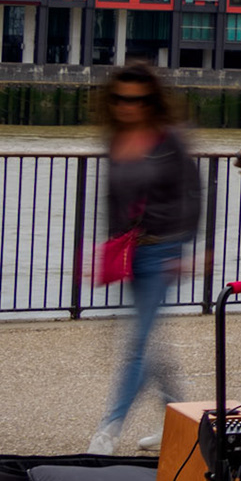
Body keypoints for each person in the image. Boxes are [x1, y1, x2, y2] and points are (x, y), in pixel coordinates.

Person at [87, 65, 203, 456]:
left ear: (151, 101)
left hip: (164, 250)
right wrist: (107, 250)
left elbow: (195, 192)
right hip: (130, 252)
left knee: (137, 342)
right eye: (119, 99)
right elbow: (112, 199)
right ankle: (180, 420)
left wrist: (193, 246)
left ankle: (108, 429)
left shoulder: (169, 140)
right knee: (150, 342)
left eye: (136, 100)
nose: (127, 107)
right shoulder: (115, 139)